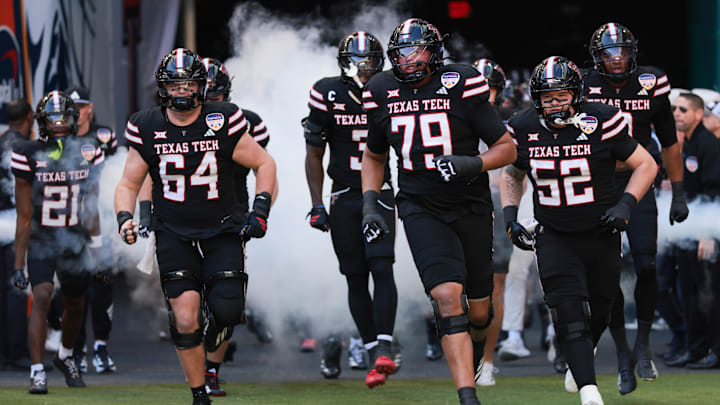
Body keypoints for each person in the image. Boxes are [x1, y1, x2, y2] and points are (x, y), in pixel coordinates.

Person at [361, 19, 516, 405]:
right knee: (447, 295)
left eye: (417, 51)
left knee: (479, 311)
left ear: (434, 51)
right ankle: (468, 396)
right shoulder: (381, 89)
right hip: (420, 205)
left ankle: (476, 352)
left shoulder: (462, 82)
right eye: (401, 53)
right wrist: (369, 202)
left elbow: (506, 147)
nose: (409, 59)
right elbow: (374, 154)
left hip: (470, 204)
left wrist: (472, 164)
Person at [114, 48, 277, 405]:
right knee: (185, 318)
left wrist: (261, 210)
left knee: (228, 311)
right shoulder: (147, 124)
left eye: (189, 83)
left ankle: (214, 328)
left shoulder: (225, 118)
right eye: (176, 84)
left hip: (222, 228)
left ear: (201, 86)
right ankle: (199, 392)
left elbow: (264, 163)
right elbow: (129, 181)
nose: (183, 91)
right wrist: (127, 217)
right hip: (173, 230)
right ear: (163, 88)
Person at [501, 56, 657, 405]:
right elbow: (513, 173)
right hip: (554, 233)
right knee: (567, 310)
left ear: (578, 94)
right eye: (547, 96)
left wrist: (625, 204)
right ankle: (589, 391)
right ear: (535, 97)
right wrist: (511, 215)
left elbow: (646, 163)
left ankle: (581, 361)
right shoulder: (524, 125)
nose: (554, 104)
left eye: (561, 95)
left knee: (601, 307)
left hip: (601, 231)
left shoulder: (601, 118)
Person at [583, 22, 688, 394]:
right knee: (607, 273)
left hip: (639, 181)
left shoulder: (651, 82)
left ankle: (643, 343)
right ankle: (624, 355)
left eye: (623, 52)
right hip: (597, 185)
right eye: (610, 53)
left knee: (646, 262)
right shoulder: (582, 85)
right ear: (597, 57)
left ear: (633, 52)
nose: (617, 59)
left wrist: (678, 191)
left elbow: (670, 140)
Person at [304, 31, 398, 387]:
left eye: (371, 61)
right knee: (355, 275)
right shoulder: (327, 91)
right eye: (358, 61)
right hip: (343, 192)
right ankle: (374, 350)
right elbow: (314, 152)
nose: (364, 68)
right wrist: (316, 204)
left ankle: (384, 346)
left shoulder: (390, 89)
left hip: (380, 190)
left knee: (381, 264)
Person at [12, 91, 106, 394]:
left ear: (74, 118)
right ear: (41, 121)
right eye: (52, 118)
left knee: (76, 303)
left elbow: (92, 207)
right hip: (42, 237)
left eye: (64, 116)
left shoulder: (89, 150)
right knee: (41, 295)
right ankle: (37, 370)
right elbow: (23, 216)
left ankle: (65, 355)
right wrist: (18, 263)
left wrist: (98, 249)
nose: (59, 123)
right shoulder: (27, 152)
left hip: (74, 238)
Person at [196, 56, 274, 397]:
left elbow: (262, 165)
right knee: (187, 301)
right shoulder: (171, 122)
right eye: (207, 92)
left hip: (230, 218)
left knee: (226, 303)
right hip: (182, 217)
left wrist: (260, 211)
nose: (212, 99)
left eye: (217, 92)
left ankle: (211, 368)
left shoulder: (246, 121)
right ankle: (200, 360)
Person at [64, 85, 118, 375]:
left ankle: (101, 345)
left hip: (102, 220)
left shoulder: (103, 135)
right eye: (72, 107)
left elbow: (116, 174)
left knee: (103, 286)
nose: (77, 112)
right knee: (74, 288)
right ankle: (77, 347)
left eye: (81, 106)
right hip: (70, 224)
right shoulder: (60, 136)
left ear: (90, 107)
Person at [664, 92, 720, 368]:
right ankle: (695, 348)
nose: (677, 113)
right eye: (674, 108)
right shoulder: (685, 144)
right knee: (688, 291)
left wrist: (708, 234)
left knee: (708, 293)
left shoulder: (708, 144)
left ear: (698, 114)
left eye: (683, 109)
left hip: (705, 232)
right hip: (686, 232)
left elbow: (714, 190)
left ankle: (715, 350)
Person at [469, 58, 513, 387]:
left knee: (494, 287)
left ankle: (486, 359)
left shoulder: (510, 122)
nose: (484, 93)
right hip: (457, 207)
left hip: (495, 211)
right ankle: (462, 351)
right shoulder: (449, 114)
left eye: (490, 87)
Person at [0, 98, 33, 370]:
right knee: (16, 290)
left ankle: (5, 353)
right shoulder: (24, 148)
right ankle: (17, 352)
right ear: (29, 117)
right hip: (14, 225)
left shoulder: (1, 142)